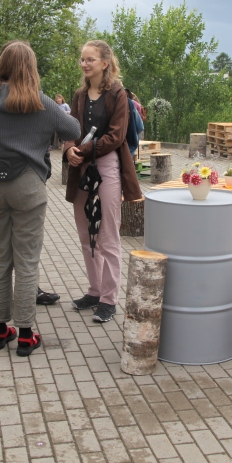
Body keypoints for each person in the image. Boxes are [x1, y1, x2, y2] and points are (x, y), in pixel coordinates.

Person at [0, 40, 80, 356]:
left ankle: (0, 332)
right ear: (31, 68)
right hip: (27, 184)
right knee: (26, 260)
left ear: (1, 65)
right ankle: (26, 335)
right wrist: (40, 135)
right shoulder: (40, 102)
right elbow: (73, 128)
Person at [65, 40, 143, 324]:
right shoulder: (79, 95)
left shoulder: (118, 94)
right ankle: (95, 291)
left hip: (108, 165)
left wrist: (82, 149)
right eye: (82, 59)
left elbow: (116, 136)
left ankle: (109, 299)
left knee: (108, 235)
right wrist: (69, 148)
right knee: (86, 233)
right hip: (81, 165)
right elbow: (71, 128)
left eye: (90, 59)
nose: (84, 64)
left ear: (105, 63)